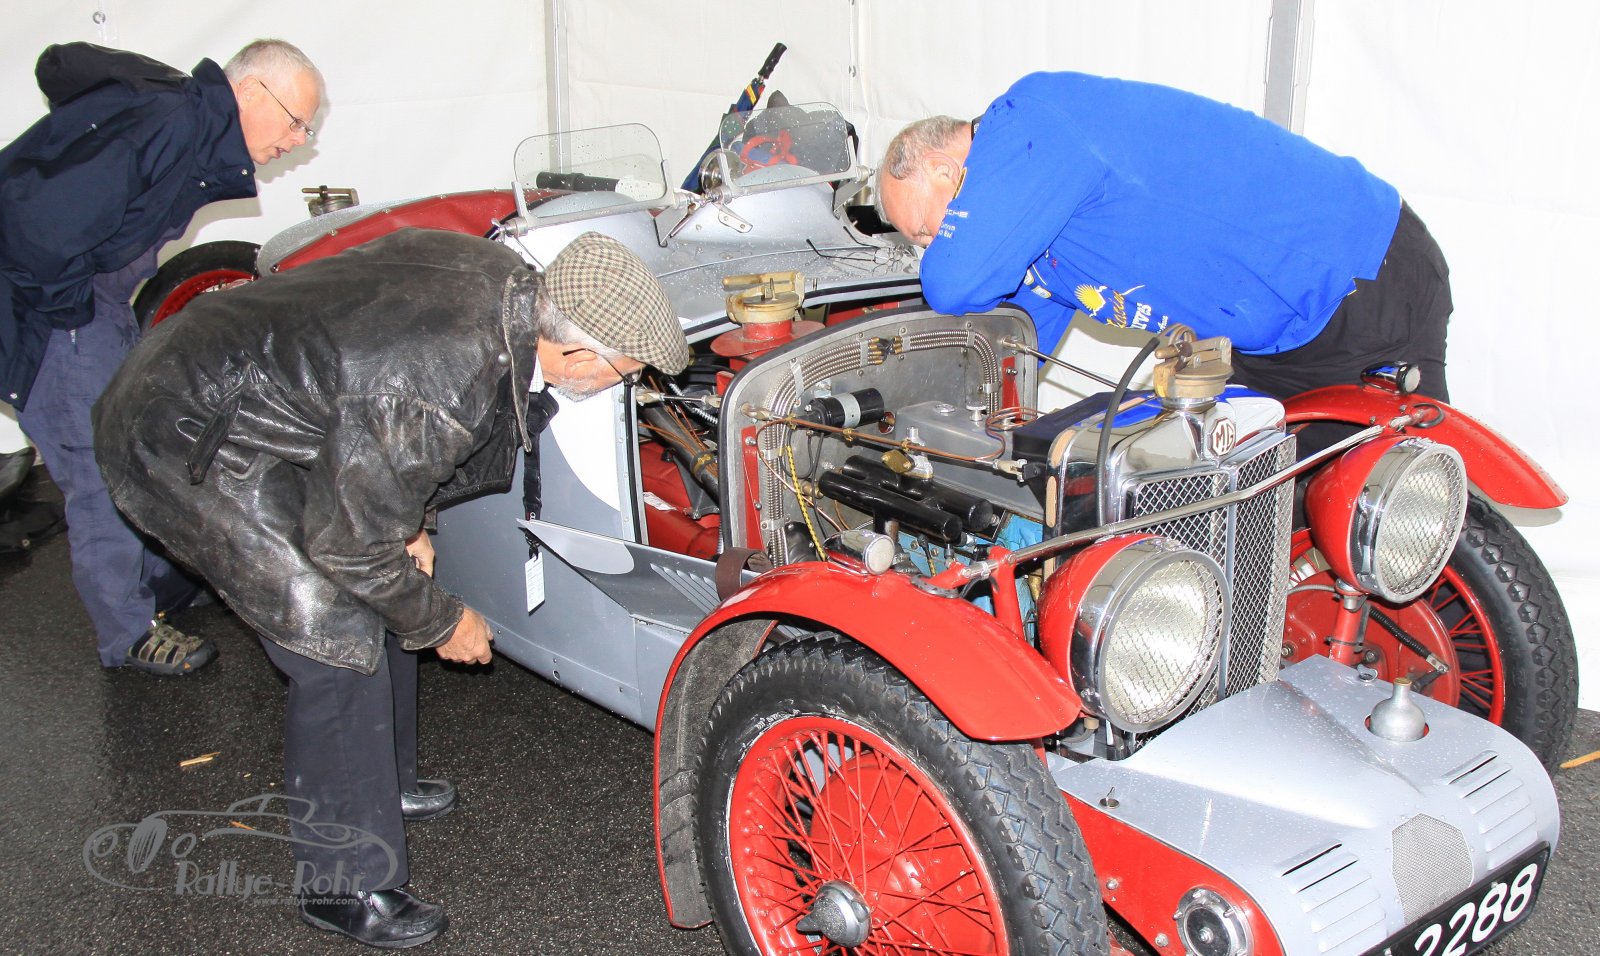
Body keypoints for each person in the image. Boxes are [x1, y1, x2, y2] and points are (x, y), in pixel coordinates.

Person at [93, 228, 690, 948]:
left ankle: (383, 782)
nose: (625, 386)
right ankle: (343, 884)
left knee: (396, 577)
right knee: (333, 642)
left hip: (245, 381)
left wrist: (414, 527)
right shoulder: (442, 384)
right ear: (577, 354)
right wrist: (443, 622)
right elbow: (350, 540)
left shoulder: (507, 288)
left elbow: (388, 431)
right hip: (183, 425)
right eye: (627, 372)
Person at [0, 38, 324, 674]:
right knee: (99, 469)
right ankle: (126, 634)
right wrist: (72, 314)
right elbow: (34, 221)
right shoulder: (165, 120)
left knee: (141, 441)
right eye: (295, 121)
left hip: (91, 303)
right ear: (250, 91)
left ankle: (158, 588)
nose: (297, 140)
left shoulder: (187, 124)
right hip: (55, 312)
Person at [877, 71, 1453, 402]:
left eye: (926, 230)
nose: (931, 246)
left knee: (1408, 525)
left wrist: (941, 265)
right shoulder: (1029, 223)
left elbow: (952, 284)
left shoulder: (1027, 123)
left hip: (1356, 279)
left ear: (945, 171)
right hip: (1273, 343)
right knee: (1260, 534)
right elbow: (1018, 344)